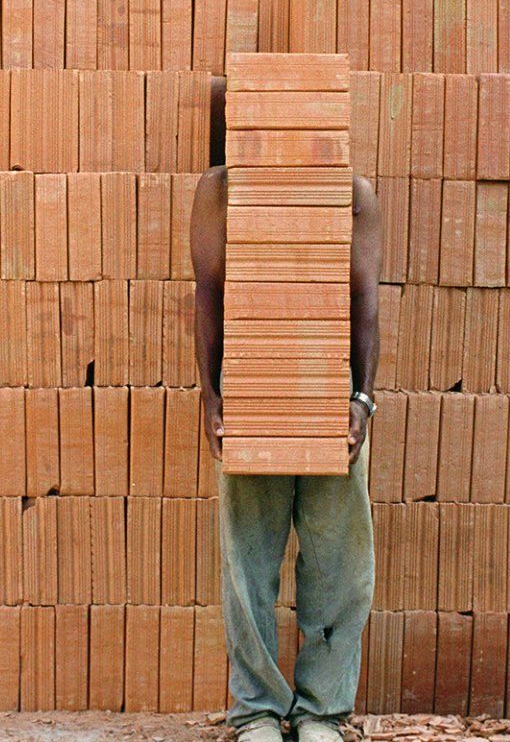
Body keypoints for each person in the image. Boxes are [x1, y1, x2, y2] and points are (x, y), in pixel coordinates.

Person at [191, 143, 383, 742]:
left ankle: (322, 711)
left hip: (329, 396)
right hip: (252, 391)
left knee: (339, 559)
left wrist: (362, 401)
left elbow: (365, 302)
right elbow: (208, 295)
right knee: (247, 558)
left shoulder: (352, 197)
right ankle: (257, 712)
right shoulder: (220, 193)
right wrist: (211, 395)